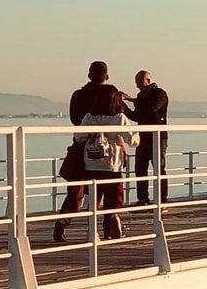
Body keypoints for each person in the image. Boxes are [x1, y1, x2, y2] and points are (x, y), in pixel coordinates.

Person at [55, 84, 135, 242]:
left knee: (93, 198)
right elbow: (133, 140)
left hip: (90, 163)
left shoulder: (89, 117)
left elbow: (79, 137)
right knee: (114, 196)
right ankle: (112, 220)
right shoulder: (119, 118)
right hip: (112, 164)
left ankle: (92, 231)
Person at [128, 69, 170, 205]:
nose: (138, 86)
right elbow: (137, 116)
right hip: (143, 137)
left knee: (159, 168)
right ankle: (142, 199)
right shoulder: (140, 97)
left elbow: (151, 109)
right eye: (136, 83)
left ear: (149, 81)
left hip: (158, 137)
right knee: (140, 168)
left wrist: (132, 100)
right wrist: (123, 107)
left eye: (140, 82)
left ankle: (162, 200)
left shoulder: (160, 94)